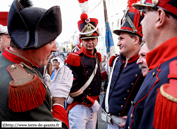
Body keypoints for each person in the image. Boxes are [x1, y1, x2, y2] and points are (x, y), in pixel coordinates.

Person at [0, 0, 72, 128]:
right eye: (51, 42)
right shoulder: (25, 87)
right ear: (32, 44)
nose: (55, 48)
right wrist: (58, 102)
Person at [124, 0, 177, 129]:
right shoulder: (167, 66)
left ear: (160, 17)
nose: (141, 22)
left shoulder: (174, 80)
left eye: (144, 14)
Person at [101, 1, 145, 129]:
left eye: (121, 39)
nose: (118, 43)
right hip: (108, 121)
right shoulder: (116, 61)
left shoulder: (144, 64)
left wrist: (136, 116)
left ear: (136, 40)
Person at [66, 13, 102, 129]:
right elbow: (72, 88)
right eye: (86, 39)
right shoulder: (74, 57)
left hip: (93, 107)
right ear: (81, 40)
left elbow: (96, 78)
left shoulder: (97, 56)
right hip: (79, 106)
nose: (90, 42)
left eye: (92, 38)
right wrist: (91, 102)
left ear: (97, 40)